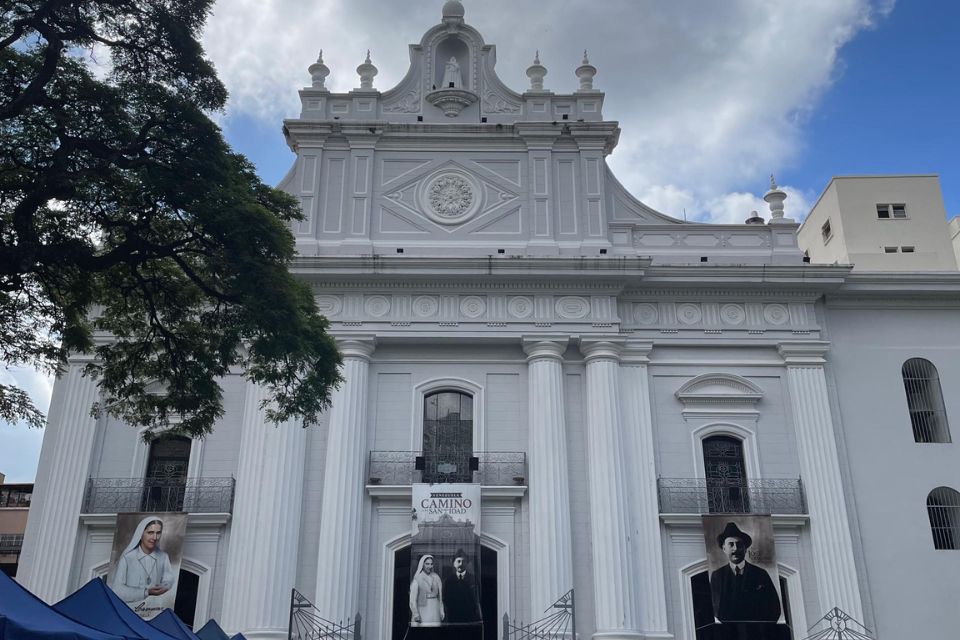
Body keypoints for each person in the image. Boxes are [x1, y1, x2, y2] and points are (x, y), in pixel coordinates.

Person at [709, 522, 781, 623]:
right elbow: (714, 607)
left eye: (739, 544)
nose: (735, 548)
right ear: (724, 548)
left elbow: (774, 608)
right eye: (731, 544)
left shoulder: (761, 574)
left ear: (745, 549)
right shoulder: (717, 576)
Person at [109, 516, 176, 603]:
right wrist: (146, 592)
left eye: (158, 533)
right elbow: (117, 590)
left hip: (154, 608)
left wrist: (165, 586)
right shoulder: (128, 558)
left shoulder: (163, 557)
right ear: (141, 534)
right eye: (150, 532)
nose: (155, 537)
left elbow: (169, 579)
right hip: (131, 608)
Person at [442, 550, 481, 623]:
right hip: (453, 616)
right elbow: (445, 598)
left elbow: (477, 599)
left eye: (464, 561)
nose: (461, 564)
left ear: (467, 563)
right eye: (458, 561)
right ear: (453, 563)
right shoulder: (448, 581)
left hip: (469, 617)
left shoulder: (473, 579)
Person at [410, 554, 444, 626]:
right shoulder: (417, 578)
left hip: (435, 607)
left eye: (431, 564)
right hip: (422, 609)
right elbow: (412, 599)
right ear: (422, 564)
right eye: (427, 564)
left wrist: (441, 610)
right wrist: (416, 614)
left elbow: (440, 596)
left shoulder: (436, 577)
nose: (430, 566)